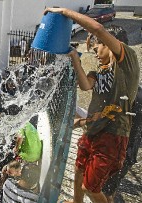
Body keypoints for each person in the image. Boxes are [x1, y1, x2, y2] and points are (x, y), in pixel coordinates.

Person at [44, 7, 140, 203]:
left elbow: (98, 28)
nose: (95, 52)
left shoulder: (126, 60)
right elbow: (86, 85)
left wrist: (64, 12)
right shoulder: (100, 70)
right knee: (78, 170)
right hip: (93, 131)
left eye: (98, 48)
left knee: (90, 187)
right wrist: (74, 59)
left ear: (111, 43)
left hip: (113, 135)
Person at [102, 85, 142, 202]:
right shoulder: (133, 93)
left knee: (105, 192)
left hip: (120, 156)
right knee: (107, 190)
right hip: (124, 154)